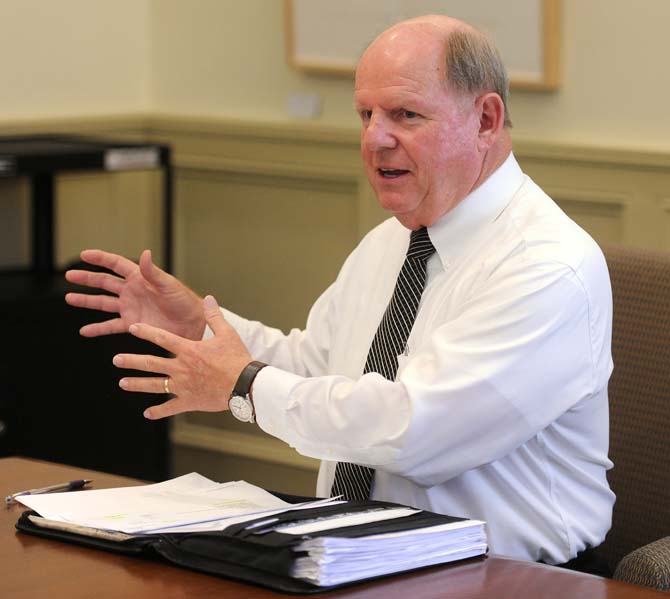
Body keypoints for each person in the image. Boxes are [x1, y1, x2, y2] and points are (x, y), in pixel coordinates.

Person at [65, 15, 615, 570]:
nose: (374, 137)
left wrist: (245, 385)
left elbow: (414, 431)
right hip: (359, 557)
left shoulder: (546, 265)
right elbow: (317, 368)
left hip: (512, 577)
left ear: (486, 120)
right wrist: (202, 333)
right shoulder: (391, 242)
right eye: (366, 114)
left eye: (404, 114)